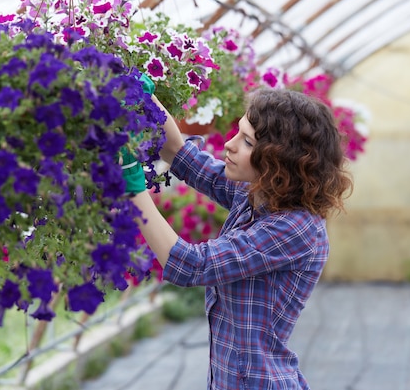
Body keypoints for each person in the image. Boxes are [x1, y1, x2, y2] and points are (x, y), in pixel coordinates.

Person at [123, 87, 353, 390]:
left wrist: (133, 188)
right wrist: (140, 95)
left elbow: (192, 266)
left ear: (278, 160)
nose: (229, 145)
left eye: (246, 141)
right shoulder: (262, 196)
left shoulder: (295, 228)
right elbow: (184, 157)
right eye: (238, 132)